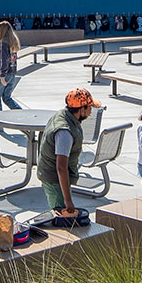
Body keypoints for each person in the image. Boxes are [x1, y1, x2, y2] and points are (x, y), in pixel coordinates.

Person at [41, 88, 101, 218]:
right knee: (62, 218)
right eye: (90, 107)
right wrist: (68, 201)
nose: (91, 112)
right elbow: (61, 167)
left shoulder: (65, 115)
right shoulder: (65, 132)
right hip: (54, 179)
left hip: (54, 176)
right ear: (81, 109)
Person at [0, 20, 23, 112]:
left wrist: (2, 77)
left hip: (3, 75)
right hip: (12, 75)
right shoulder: (12, 43)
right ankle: (21, 113)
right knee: (7, 98)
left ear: (2, 31)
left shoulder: (3, 43)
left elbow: (4, 61)